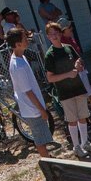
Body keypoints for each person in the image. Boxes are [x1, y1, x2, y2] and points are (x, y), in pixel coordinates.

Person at [44, 21, 91, 159]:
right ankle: (76, 147)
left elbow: (79, 61)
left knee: (83, 116)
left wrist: (78, 65)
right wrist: (67, 74)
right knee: (72, 120)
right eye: (51, 34)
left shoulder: (68, 48)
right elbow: (50, 78)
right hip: (65, 92)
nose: (54, 36)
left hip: (78, 88)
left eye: (56, 33)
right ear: (48, 37)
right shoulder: (50, 55)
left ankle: (85, 142)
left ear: (60, 33)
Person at [6, 28, 55, 158]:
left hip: (33, 107)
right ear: (17, 44)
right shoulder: (18, 65)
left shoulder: (21, 57)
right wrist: (42, 110)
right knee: (40, 140)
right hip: (32, 109)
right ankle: (48, 165)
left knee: (43, 137)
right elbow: (27, 91)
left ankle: (49, 160)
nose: (27, 40)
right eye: (24, 39)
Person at [57, 17, 91, 122]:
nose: (71, 28)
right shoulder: (62, 43)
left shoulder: (71, 39)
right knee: (86, 95)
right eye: (69, 27)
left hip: (82, 70)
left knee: (90, 92)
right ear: (63, 31)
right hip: (76, 72)